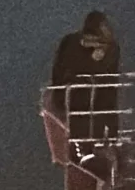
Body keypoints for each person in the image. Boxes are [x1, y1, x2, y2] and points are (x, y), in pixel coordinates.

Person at [50, 11, 121, 144]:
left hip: (98, 105)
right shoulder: (71, 43)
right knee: (80, 135)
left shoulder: (111, 49)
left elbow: (110, 86)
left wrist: (113, 128)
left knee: (95, 135)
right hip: (74, 101)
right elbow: (63, 72)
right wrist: (92, 62)